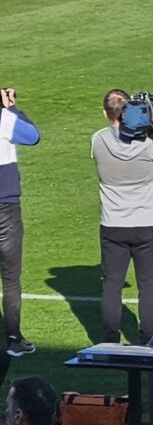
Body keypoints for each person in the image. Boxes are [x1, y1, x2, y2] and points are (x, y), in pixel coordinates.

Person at [91, 89, 153, 345]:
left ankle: (110, 340)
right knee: (147, 287)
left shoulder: (97, 141)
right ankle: (148, 339)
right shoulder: (147, 144)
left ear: (105, 114)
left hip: (112, 225)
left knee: (111, 286)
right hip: (146, 226)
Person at [0, 88, 40, 357]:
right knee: (11, 278)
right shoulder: (4, 118)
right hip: (5, 207)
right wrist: (12, 108)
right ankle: (14, 337)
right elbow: (33, 136)